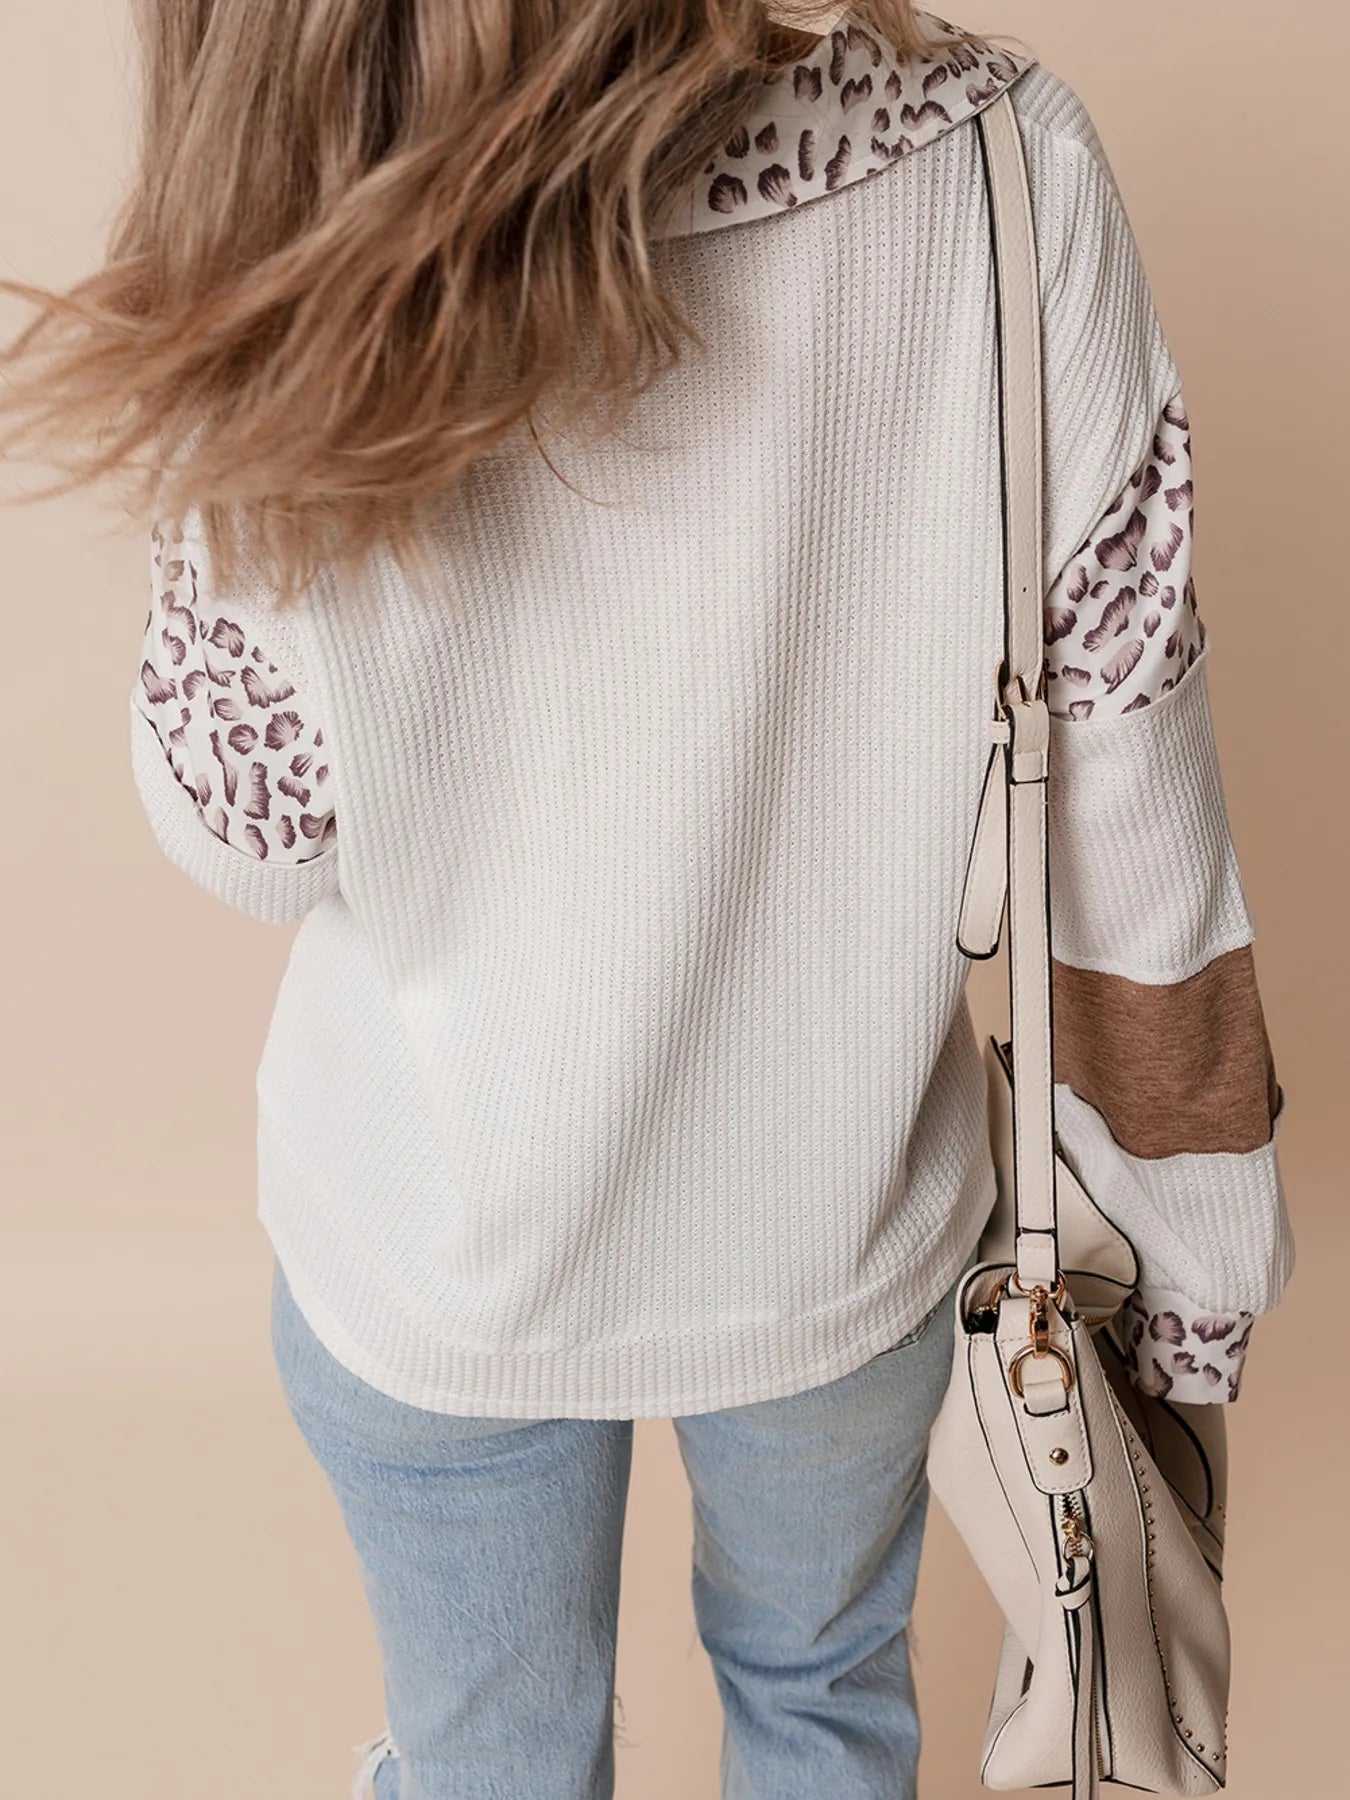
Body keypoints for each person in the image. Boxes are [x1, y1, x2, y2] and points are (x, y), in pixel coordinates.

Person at [0, 4, 1293, 1796]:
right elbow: (1139, 822)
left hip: (434, 1246)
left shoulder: (314, 216)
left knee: (491, 1760)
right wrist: (1193, 1295)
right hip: (838, 1229)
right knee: (826, 1708)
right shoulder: (1006, 166)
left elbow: (249, 833)